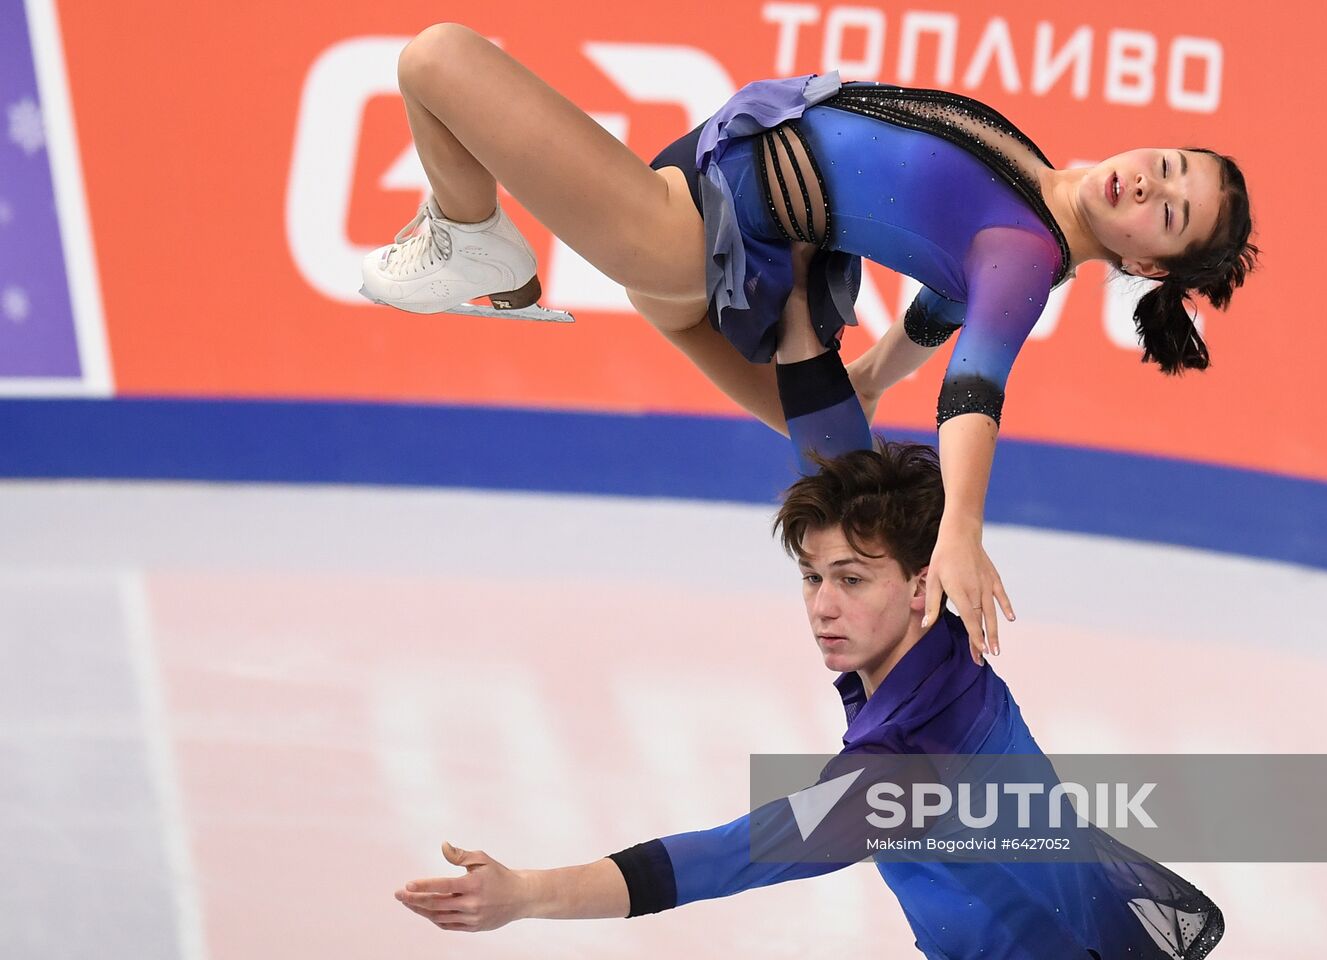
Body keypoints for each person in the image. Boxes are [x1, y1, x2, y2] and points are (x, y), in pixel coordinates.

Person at [359, 23, 1259, 663]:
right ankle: (876, 576)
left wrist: (963, 528)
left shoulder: (1028, 256)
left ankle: (467, 232)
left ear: (1148, 266)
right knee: (846, 485)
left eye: (1168, 215)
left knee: (438, 59)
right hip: (713, 224)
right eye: (1170, 166)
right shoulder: (1035, 189)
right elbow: (938, 314)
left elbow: (973, 391)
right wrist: (867, 373)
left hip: (690, 233)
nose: (1148, 186)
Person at [390, 438, 1225, 958]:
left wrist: (526, 895)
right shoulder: (935, 639)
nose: (823, 604)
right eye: (812, 578)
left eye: (852, 581)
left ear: (919, 584)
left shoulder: (896, 774)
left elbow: (722, 859)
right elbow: (831, 428)